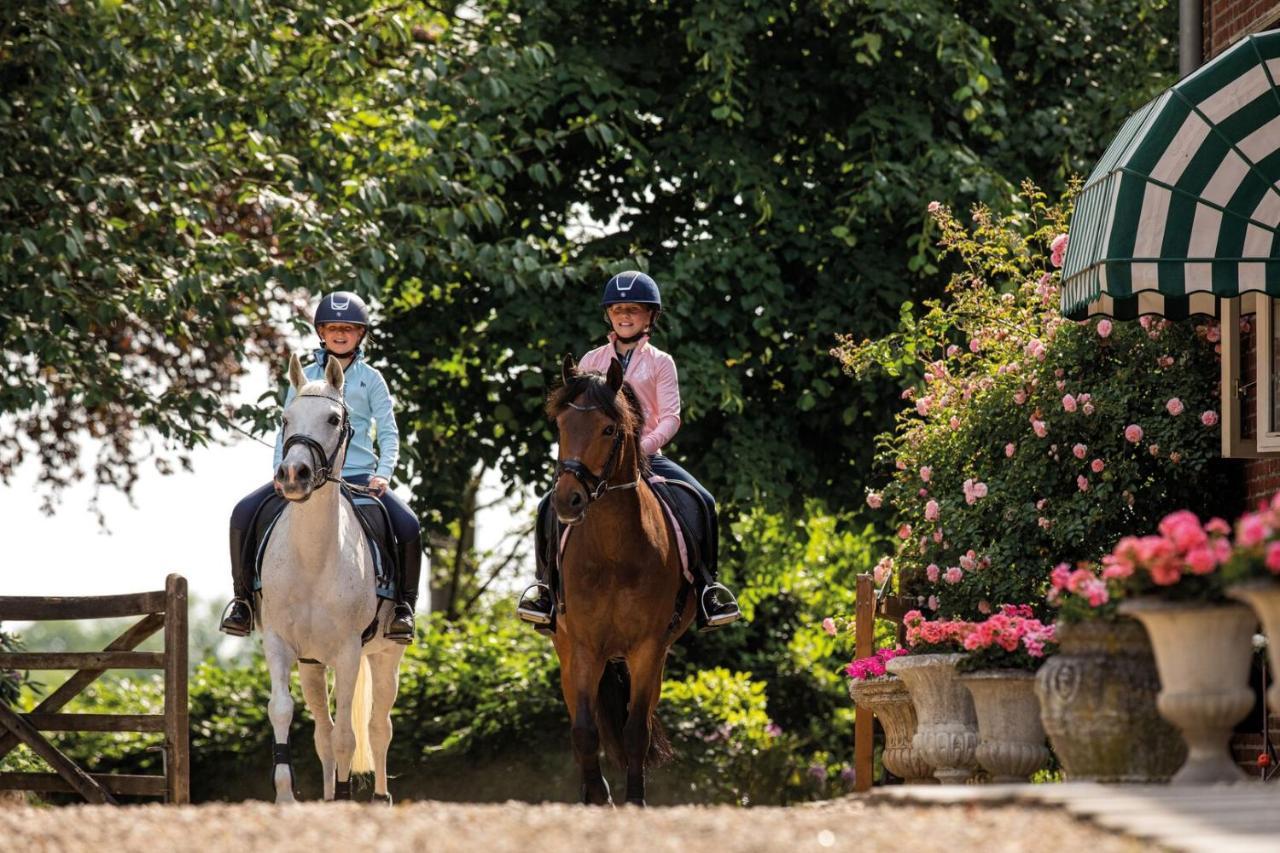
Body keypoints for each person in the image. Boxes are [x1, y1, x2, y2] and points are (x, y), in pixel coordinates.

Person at [516, 271, 741, 631]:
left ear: (650, 316)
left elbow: (671, 417)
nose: (625, 316)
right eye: (618, 309)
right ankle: (544, 588)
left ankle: (708, 590)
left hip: (648, 456)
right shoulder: (591, 359)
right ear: (608, 314)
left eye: (633, 310)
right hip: (597, 461)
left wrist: (641, 448)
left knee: (703, 500)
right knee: (548, 505)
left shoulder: (661, 362)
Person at [219, 291, 422, 643]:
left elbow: (388, 431)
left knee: (408, 525)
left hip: (358, 478)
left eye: (348, 328)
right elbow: (287, 428)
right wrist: (280, 471)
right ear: (321, 332)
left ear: (361, 334)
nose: (340, 334)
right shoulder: (304, 376)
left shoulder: (371, 379)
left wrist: (384, 473)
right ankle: (243, 601)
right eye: (332, 328)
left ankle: (403, 608)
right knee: (242, 512)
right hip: (304, 474)